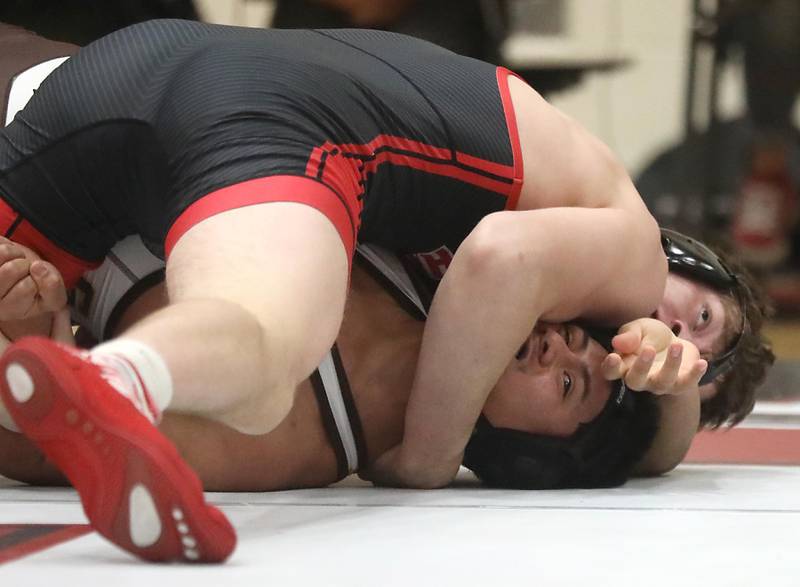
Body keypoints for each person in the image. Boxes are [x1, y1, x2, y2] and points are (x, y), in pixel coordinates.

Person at [0, 20, 769, 562]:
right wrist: (426, 461)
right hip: (265, 116)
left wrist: (43, 327)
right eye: (699, 320)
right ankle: (116, 378)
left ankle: (88, 374)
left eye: (701, 362)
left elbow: (633, 441)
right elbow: (503, 262)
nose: (676, 337)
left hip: (100, 93)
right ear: (683, 257)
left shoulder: (434, 274)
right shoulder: (615, 245)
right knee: (265, 347)